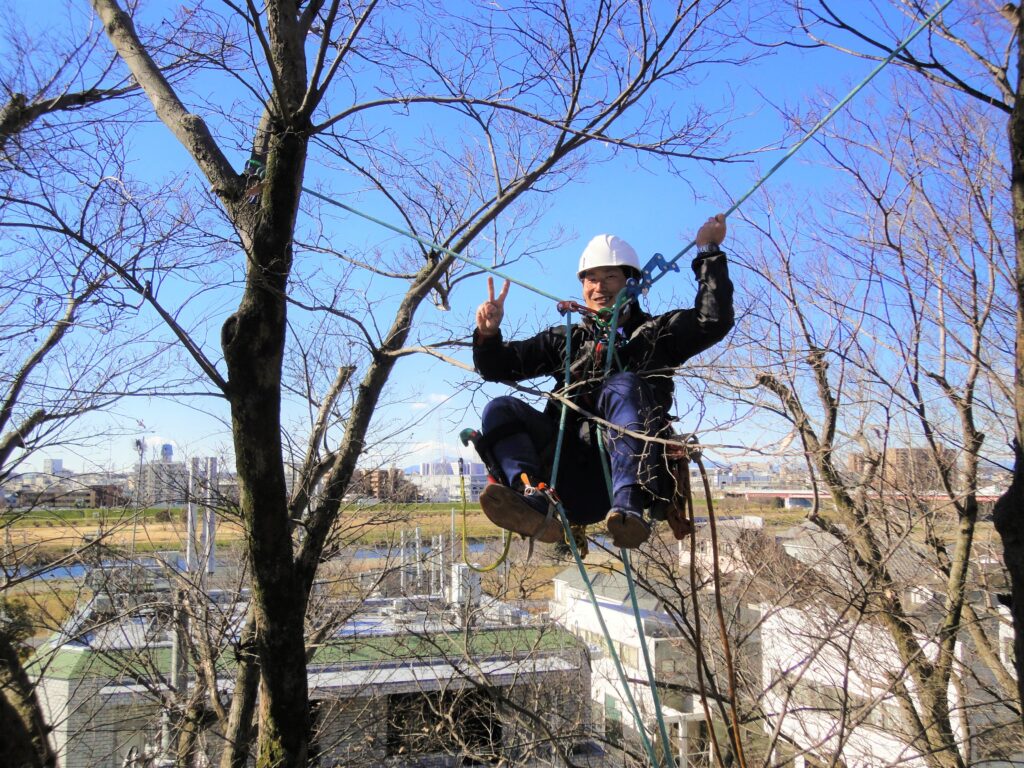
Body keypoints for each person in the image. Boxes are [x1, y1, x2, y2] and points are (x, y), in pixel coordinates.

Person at [472, 215, 733, 548]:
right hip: (565, 473)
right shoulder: (566, 340)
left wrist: (708, 252)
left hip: (618, 478)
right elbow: (498, 367)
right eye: (591, 279)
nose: (599, 287)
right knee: (499, 409)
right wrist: (489, 333)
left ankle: (629, 505)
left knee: (623, 386)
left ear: (633, 283)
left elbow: (712, 320)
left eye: (611, 276)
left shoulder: (656, 336)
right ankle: (534, 498)